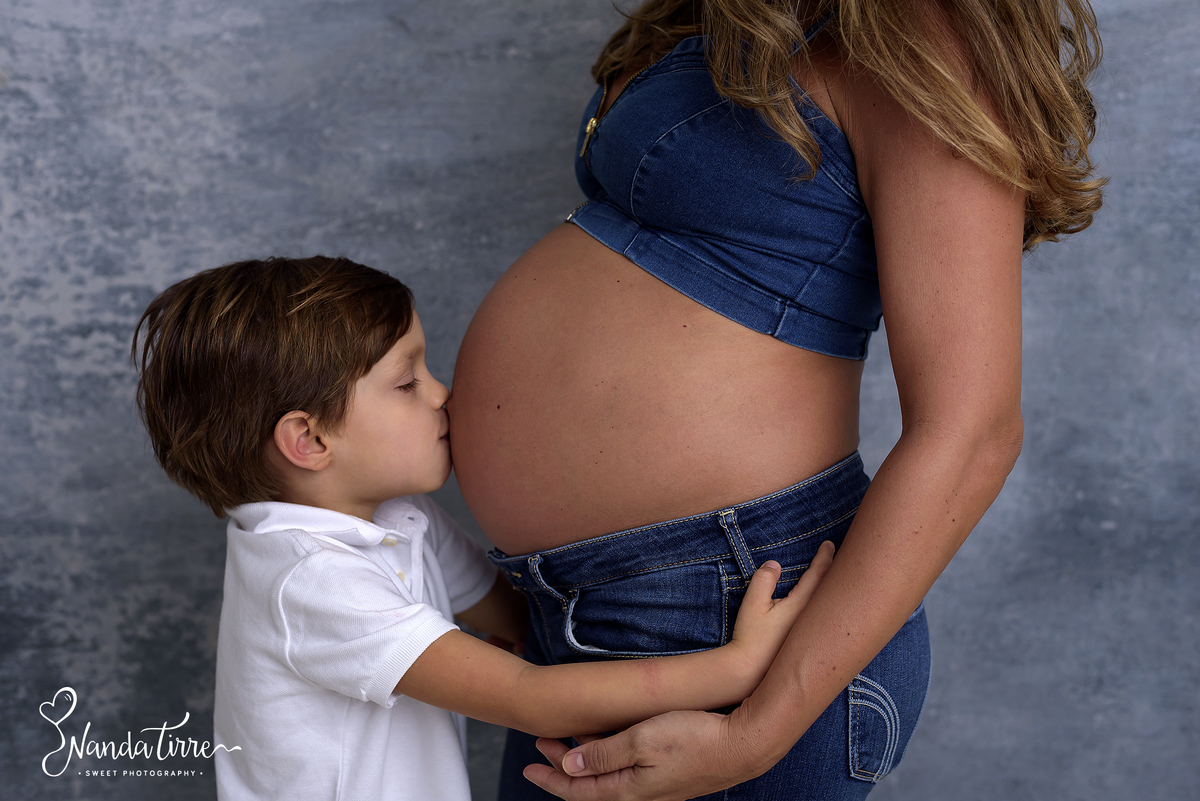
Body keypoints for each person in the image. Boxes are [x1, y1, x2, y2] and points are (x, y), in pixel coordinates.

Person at [447, 0, 1105, 798]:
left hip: (732, 605)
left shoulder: (922, 29)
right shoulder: (742, 11)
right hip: (573, 607)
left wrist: (756, 734)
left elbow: (973, 431)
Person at [130, 255, 836, 801]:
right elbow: (526, 692)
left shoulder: (394, 518)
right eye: (407, 384)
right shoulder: (308, 578)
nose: (442, 394)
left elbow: (520, 627)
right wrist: (736, 668)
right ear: (308, 441)